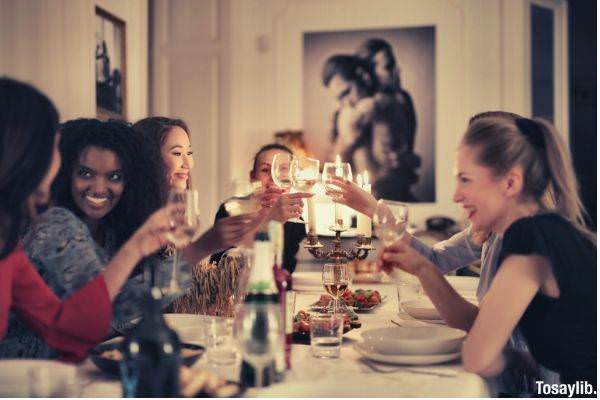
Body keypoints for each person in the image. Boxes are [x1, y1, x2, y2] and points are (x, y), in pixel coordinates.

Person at [379, 116, 596, 388]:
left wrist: (509, 357)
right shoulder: (550, 231)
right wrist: (424, 269)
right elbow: (482, 324)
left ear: (510, 183)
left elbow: (478, 358)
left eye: (465, 180)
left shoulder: (529, 237)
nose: (456, 195)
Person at [0, 78, 171, 362]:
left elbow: (71, 329)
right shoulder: (54, 225)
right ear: (20, 155)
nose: (57, 162)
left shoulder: (9, 249)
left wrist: (135, 248)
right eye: (52, 149)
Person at [322, 54, 418, 201]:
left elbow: (408, 159)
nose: (347, 101)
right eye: (340, 97)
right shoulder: (343, 114)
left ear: (363, 76)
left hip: (393, 199)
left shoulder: (390, 103)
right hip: (360, 203)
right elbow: (335, 164)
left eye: (347, 92)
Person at [209, 144, 312, 274]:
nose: (274, 177)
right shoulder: (231, 210)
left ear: (293, 177)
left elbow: (288, 272)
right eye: (265, 170)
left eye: (283, 169)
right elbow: (220, 267)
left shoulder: (296, 220)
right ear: (252, 177)